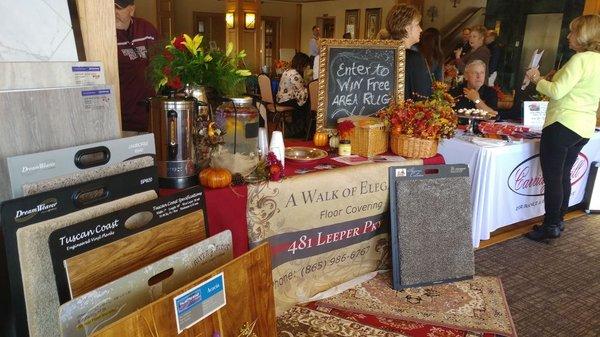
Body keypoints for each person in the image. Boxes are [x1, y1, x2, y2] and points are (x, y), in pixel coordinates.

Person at [523, 14, 600, 242]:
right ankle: (558, 221)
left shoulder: (580, 59)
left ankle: (550, 226)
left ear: (584, 35)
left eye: (573, 31)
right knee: (563, 175)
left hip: (562, 124)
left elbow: (556, 91)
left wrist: (537, 79)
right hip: (584, 128)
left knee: (553, 178)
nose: (568, 36)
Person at [115, 0, 159, 133]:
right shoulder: (103, 36)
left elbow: (164, 63)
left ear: (131, 9)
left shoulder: (146, 29)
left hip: (150, 115)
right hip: (122, 118)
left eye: (118, 8)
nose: (114, 13)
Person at [386, 4, 430, 99]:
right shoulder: (414, 58)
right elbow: (422, 96)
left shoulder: (384, 54)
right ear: (407, 28)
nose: (421, 30)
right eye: (417, 25)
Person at [277, 52, 311, 137]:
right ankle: (300, 130)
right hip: (286, 100)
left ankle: (297, 129)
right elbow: (301, 95)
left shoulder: (288, 71)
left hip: (281, 99)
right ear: (302, 64)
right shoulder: (296, 75)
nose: (307, 67)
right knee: (306, 104)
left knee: (301, 104)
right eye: (306, 65)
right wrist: (309, 87)